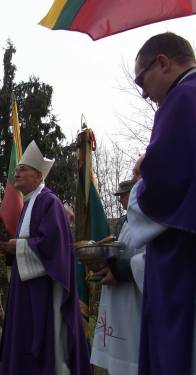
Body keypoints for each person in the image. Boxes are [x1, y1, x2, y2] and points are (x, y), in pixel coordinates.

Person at [128, 32, 196, 375]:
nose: (143, 91)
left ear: (163, 63)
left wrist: (142, 181)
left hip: (184, 260)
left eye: (142, 79)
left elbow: (163, 189)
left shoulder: (182, 99)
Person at [0, 141, 91, 375]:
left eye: (23, 169)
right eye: (16, 168)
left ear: (38, 175)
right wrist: (11, 248)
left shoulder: (49, 202)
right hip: (26, 287)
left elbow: (54, 247)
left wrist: (16, 247)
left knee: (45, 342)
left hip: (43, 291)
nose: (16, 173)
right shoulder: (30, 204)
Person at [90, 180, 145, 375]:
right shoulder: (123, 221)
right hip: (117, 299)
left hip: (135, 302)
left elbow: (151, 260)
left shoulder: (151, 218)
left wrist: (123, 270)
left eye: (123, 195)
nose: (120, 200)